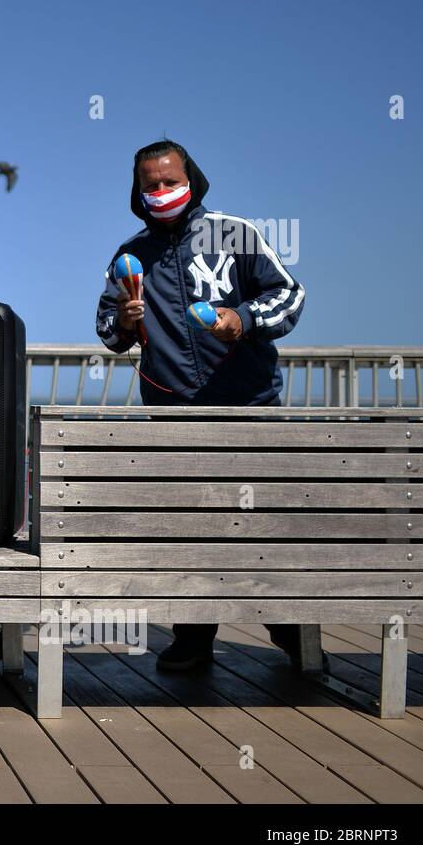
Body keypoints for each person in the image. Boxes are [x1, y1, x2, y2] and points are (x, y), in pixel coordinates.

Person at [95, 140, 311, 671]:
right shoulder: (129, 254)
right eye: (151, 185)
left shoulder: (237, 234)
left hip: (249, 405)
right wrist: (124, 319)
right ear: (137, 191)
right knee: (189, 530)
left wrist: (244, 318)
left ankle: (293, 633)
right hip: (173, 413)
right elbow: (107, 330)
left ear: (192, 178)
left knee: (265, 526)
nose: (161, 192)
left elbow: (290, 295)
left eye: (170, 181)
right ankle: (194, 638)